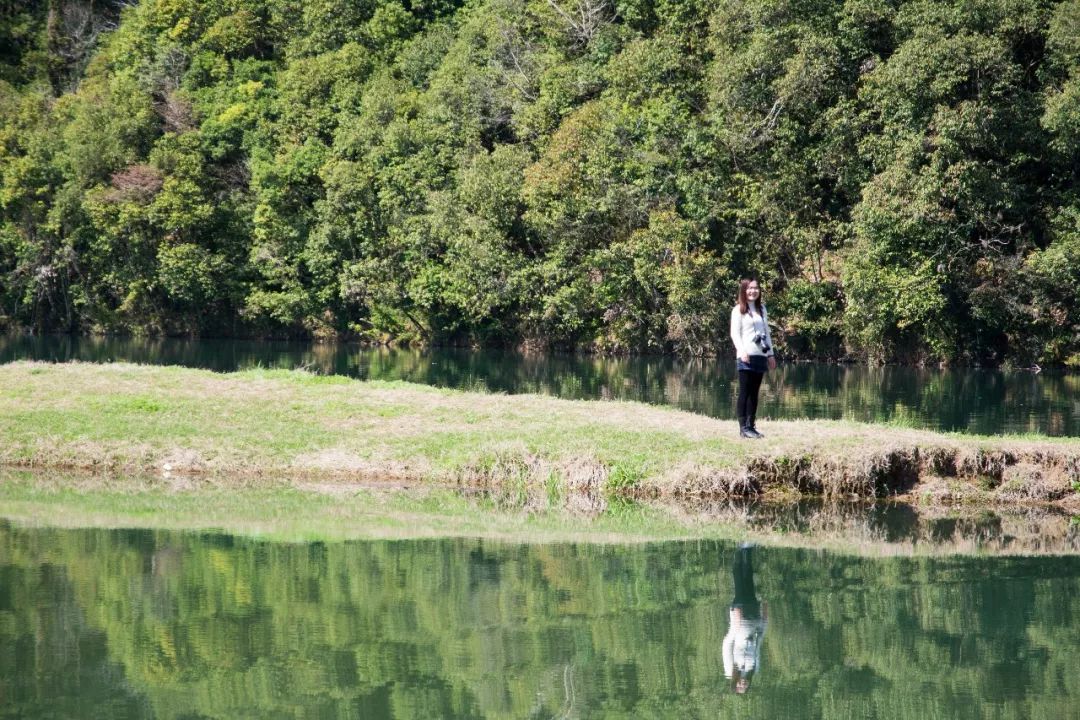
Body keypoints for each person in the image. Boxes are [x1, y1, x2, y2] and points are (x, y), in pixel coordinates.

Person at [729, 278, 776, 438]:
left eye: (756, 288)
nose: (753, 291)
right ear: (744, 290)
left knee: (755, 392)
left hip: (760, 355)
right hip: (746, 356)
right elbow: (735, 333)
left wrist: (770, 354)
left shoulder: (762, 309)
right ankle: (743, 429)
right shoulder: (738, 310)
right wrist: (742, 351)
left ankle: (751, 425)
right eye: (749, 288)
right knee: (745, 391)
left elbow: (767, 333)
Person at [722, 544, 768, 694]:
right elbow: (758, 643)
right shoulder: (754, 669)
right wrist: (764, 619)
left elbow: (727, 645)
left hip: (740, 618)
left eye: (739, 687)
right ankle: (747, 549)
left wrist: (735, 625)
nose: (743, 685)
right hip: (754, 616)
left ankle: (737, 549)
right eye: (745, 688)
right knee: (748, 581)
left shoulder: (730, 670)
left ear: (735, 684)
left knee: (739, 582)